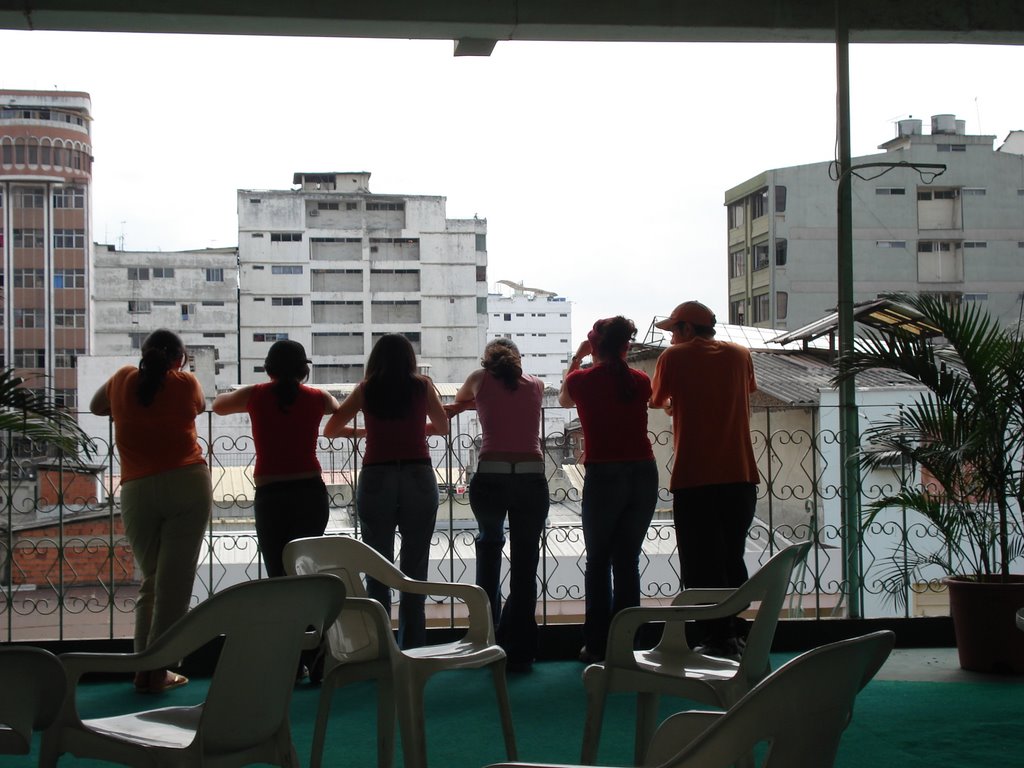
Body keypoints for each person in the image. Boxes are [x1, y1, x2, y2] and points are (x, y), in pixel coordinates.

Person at [90, 329, 212, 693]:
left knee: (151, 582)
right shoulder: (186, 382)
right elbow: (201, 406)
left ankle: (143, 668)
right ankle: (158, 670)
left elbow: (98, 407)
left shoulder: (122, 378)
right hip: (186, 484)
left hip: (137, 490)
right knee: (174, 584)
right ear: (179, 359)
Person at [649, 301, 759, 658]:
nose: (671, 338)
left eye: (673, 331)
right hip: (740, 474)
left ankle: (715, 637)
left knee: (700, 562)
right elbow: (745, 393)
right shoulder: (740, 355)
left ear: (686, 329)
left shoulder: (674, 358)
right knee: (731, 557)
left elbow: (656, 400)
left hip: (695, 476)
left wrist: (673, 405)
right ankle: (735, 631)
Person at [324, 334, 448, 649]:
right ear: (409, 359)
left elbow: (331, 429)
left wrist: (365, 431)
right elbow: (443, 426)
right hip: (417, 475)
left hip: (377, 477)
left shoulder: (366, 389)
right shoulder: (422, 387)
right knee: (415, 568)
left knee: (377, 567)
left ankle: (379, 648)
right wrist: (417, 427)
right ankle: (413, 649)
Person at [559, 316, 658, 664]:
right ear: (626, 346)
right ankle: (628, 643)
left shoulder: (581, 379)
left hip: (604, 475)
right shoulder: (641, 380)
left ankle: (598, 645)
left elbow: (563, 401)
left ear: (594, 346)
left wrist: (577, 357)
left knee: (599, 561)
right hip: (644, 473)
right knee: (627, 559)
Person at [447, 338, 548, 672]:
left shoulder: (479, 379)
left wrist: (475, 404)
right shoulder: (537, 384)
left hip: (490, 476)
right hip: (531, 478)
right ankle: (519, 650)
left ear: (487, 360)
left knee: (489, 547)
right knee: (525, 562)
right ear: (519, 360)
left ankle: (485, 640)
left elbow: (462, 400)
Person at [212, 340, 340, 579]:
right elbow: (335, 407)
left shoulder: (255, 395)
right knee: (306, 571)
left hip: (271, 497)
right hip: (310, 495)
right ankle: (310, 617)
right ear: (304, 371)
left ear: (269, 369)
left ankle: (284, 615)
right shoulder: (317, 397)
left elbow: (218, 406)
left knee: (277, 574)